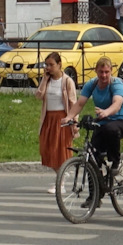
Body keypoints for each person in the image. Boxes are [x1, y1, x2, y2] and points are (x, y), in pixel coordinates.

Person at [77, 56, 123, 174]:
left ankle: (115, 162)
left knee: (110, 129)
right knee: (92, 156)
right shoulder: (92, 84)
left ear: (111, 71)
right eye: (101, 72)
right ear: (96, 71)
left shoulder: (116, 83)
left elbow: (117, 103)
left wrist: (106, 112)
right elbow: (80, 103)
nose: (103, 75)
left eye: (107, 72)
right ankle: (96, 191)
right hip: (102, 121)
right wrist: (69, 117)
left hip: (121, 120)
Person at [36, 52, 76, 187]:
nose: (48, 68)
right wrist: (44, 80)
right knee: (46, 150)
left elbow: (73, 102)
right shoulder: (47, 80)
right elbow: (39, 96)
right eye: (46, 65)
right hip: (48, 118)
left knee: (60, 151)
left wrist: (73, 121)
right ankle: (62, 174)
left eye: (51, 65)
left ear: (59, 65)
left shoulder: (66, 81)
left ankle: (61, 183)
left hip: (62, 119)